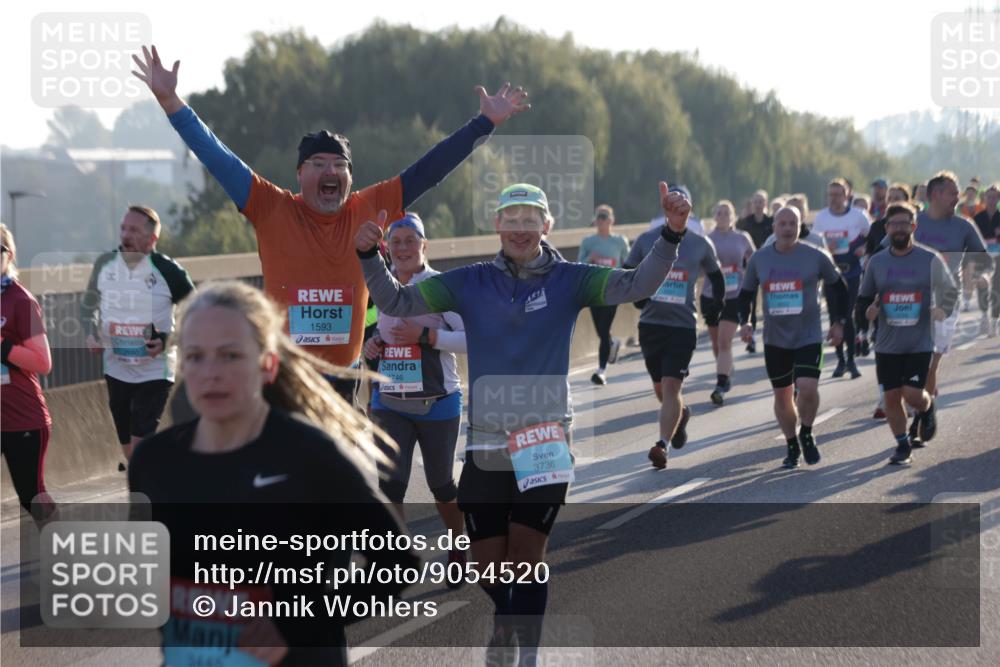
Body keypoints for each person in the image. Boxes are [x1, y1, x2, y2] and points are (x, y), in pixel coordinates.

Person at [357, 181, 690, 665]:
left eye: (529, 219)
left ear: (546, 225)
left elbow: (637, 284)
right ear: (497, 225)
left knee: (527, 560)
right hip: (486, 442)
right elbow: (397, 303)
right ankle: (507, 621)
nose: (519, 229)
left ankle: (527, 654)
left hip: (545, 438)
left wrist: (672, 233)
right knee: (490, 570)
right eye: (510, 219)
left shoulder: (571, 279)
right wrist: (369, 255)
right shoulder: (468, 282)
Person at [132, 44, 529, 404]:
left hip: (344, 375)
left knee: (335, 479)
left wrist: (483, 124)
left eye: (339, 166)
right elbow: (216, 155)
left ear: (350, 177)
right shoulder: (270, 205)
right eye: (319, 165)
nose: (330, 172)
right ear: (300, 174)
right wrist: (171, 102)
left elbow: (431, 169)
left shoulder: (369, 205)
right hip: (283, 374)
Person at [129, 281, 419, 667]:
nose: (211, 373)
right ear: (181, 365)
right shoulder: (153, 461)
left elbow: (397, 564)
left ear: (267, 365)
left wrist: (297, 622)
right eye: (196, 356)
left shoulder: (311, 455)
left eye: (231, 356)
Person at [363, 213, 468, 583]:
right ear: (387, 248)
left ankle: (458, 542)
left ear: (424, 246)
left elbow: (471, 340)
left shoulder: (442, 286)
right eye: (396, 242)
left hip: (438, 401)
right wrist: (371, 343)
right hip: (389, 401)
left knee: (442, 486)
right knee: (390, 485)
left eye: (411, 241)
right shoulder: (377, 285)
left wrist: (425, 336)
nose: (403, 248)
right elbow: (367, 332)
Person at [80, 205, 195, 468]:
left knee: (140, 447)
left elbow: (195, 313)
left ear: (152, 239)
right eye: (123, 228)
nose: (126, 235)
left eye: (134, 230)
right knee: (130, 452)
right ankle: (163, 475)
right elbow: (88, 307)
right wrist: (91, 333)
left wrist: (166, 340)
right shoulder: (104, 264)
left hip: (156, 370)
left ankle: (146, 504)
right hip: (116, 368)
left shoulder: (169, 271)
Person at [737, 206, 849, 468]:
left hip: (808, 335)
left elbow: (839, 289)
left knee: (808, 389)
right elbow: (746, 295)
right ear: (774, 227)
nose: (787, 228)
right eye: (782, 223)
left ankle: (807, 431)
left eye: (793, 224)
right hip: (775, 339)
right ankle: (791, 444)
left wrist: (838, 322)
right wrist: (746, 322)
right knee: (783, 397)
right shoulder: (759, 259)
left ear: (800, 227)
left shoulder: (816, 256)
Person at [856, 203, 958, 465]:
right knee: (891, 397)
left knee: (912, 394)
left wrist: (942, 309)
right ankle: (902, 445)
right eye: (894, 224)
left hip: (919, 340)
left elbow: (949, 290)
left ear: (914, 227)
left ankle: (927, 406)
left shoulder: (929, 258)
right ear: (887, 229)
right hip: (887, 343)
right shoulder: (877, 262)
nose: (899, 229)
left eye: (905, 224)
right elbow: (864, 298)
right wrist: (865, 318)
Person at [628, 199, 724, 469]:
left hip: (683, 326)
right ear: (665, 211)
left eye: (684, 209)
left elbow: (717, 277)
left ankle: (661, 445)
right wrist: (638, 298)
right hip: (651, 325)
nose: (678, 214)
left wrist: (716, 307)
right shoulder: (646, 240)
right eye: (673, 208)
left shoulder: (700, 243)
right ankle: (680, 416)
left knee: (672, 386)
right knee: (661, 389)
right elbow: (626, 269)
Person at [891, 171, 990, 418]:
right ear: (936, 194)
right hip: (910, 297)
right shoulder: (914, 223)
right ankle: (921, 404)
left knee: (930, 360)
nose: (958, 198)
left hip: (946, 297)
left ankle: (922, 410)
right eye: (953, 193)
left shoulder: (963, 226)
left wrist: (977, 274)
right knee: (908, 357)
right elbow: (887, 251)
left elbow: (981, 257)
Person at [1, 224, 56, 522]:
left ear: (8, 256)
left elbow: (43, 362)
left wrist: (3, 348)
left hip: (23, 418)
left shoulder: (22, 301)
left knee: (31, 497)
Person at [862, 183, 914, 419]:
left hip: (912, 297)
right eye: (889, 198)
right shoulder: (876, 228)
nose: (891, 201)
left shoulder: (914, 230)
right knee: (883, 346)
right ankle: (886, 394)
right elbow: (870, 258)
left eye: (897, 198)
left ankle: (912, 395)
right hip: (883, 295)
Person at [812, 177, 870, 379]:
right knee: (835, 316)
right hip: (831, 273)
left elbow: (872, 237)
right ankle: (840, 361)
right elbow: (814, 244)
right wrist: (827, 247)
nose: (834, 199)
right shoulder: (821, 218)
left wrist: (864, 248)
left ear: (847, 196)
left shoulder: (858, 216)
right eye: (831, 195)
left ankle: (852, 361)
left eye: (838, 194)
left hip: (852, 271)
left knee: (848, 315)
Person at [702, 201, 754, 406]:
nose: (722, 216)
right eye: (719, 213)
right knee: (716, 343)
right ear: (714, 216)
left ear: (733, 216)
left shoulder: (742, 238)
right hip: (710, 295)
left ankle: (720, 384)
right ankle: (725, 370)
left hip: (734, 295)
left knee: (724, 342)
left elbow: (754, 260)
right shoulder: (706, 240)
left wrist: (752, 278)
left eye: (726, 213)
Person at [578, 204, 630, 384]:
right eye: (598, 217)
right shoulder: (588, 242)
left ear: (611, 220)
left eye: (604, 216)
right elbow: (579, 266)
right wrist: (589, 259)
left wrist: (626, 284)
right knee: (601, 331)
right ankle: (611, 343)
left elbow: (627, 264)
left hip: (611, 291)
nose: (600, 220)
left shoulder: (620, 242)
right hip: (593, 291)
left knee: (604, 326)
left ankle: (601, 371)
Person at [736, 189, 774, 353]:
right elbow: (736, 235)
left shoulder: (771, 222)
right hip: (750, 266)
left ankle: (772, 332)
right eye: (755, 201)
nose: (758, 204)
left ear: (766, 203)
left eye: (761, 201)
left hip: (769, 266)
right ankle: (751, 336)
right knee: (750, 301)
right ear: (753, 204)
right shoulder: (745, 222)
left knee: (770, 300)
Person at [973, 184, 1000, 336]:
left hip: (999, 257)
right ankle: (984, 316)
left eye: (995, 197)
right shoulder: (977, 218)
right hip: (982, 256)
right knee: (982, 285)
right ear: (984, 199)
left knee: (997, 287)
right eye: (989, 197)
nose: (991, 200)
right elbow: (973, 238)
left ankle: (995, 319)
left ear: (998, 199)